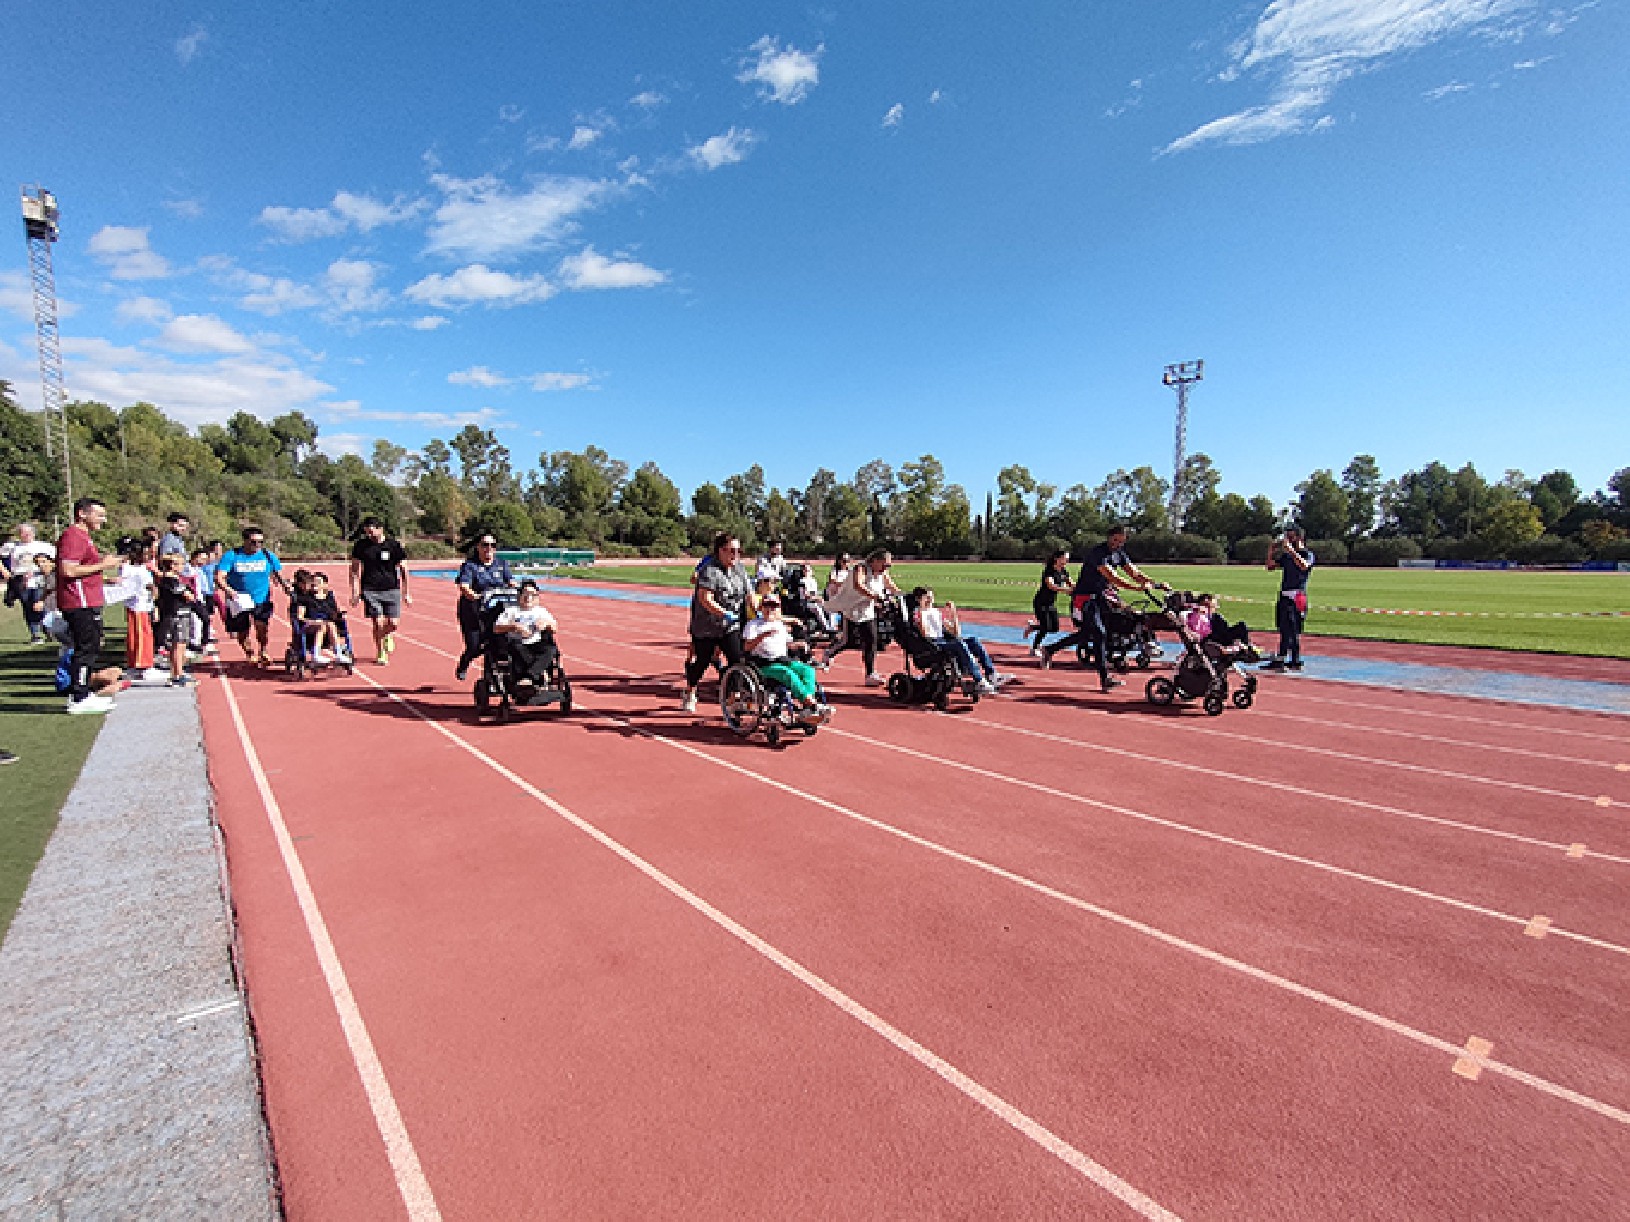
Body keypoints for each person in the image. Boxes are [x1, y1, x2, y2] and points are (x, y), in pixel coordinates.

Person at [1041, 526, 1167, 693]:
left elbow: (1134, 572)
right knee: (1099, 633)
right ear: (1109, 538)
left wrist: (1156, 583)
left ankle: (1050, 649)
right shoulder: (1098, 553)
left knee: (1090, 633)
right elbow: (1113, 577)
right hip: (1085, 598)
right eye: (1115, 540)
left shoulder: (1120, 554)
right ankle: (1105, 678)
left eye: (1121, 541)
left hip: (1101, 597)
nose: (1117, 544)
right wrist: (1136, 588)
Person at [54, 496, 125, 714]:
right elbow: (68, 570)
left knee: (92, 646)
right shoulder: (73, 536)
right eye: (99, 515)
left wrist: (103, 575)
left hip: (87, 599)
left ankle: (83, 692)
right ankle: (78, 697)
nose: (103, 520)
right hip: (79, 602)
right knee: (86, 648)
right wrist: (103, 565)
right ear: (82, 513)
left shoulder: (84, 537)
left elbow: (82, 570)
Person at [681, 532, 750, 712]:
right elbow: (705, 598)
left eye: (738, 551)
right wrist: (724, 613)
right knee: (702, 661)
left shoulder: (740, 569)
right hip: (706, 626)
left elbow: (750, 595)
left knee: (737, 659)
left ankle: (734, 697)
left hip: (730, 626)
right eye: (732, 551)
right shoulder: (710, 570)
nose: (736, 555)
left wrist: (759, 611)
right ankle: (690, 690)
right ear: (721, 550)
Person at [742, 592, 829, 723]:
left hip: (783, 660)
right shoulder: (753, 625)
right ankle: (812, 704)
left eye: (774, 606)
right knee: (787, 674)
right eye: (767, 605)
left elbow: (787, 644)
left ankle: (807, 707)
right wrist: (762, 636)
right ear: (761, 607)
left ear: (778, 609)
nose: (770, 609)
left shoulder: (779, 625)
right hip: (763, 665)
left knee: (807, 670)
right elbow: (747, 647)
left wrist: (799, 644)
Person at [911, 586, 1012, 693]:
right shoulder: (917, 613)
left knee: (974, 641)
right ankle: (979, 680)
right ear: (919, 599)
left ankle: (991, 674)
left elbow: (956, 632)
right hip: (931, 644)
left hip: (943, 641)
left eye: (931, 597)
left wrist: (953, 612)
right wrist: (922, 610)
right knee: (959, 644)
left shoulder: (936, 612)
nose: (930, 600)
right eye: (927, 597)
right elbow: (924, 633)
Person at [823, 549, 900, 685]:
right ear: (875, 561)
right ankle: (829, 653)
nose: (886, 568)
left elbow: (891, 585)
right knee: (849, 641)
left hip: (866, 609)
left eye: (888, 566)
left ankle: (870, 674)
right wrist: (875, 596)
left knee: (871, 639)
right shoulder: (861, 568)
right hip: (851, 607)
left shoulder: (882, 573)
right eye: (885, 564)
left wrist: (901, 595)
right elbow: (858, 585)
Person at [217, 526, 290, 667]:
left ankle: (263, 650)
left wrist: (285, 586)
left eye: (260, 542)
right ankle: (249, 653)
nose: (257, 545)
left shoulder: (268, 555)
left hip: (261, 598)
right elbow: (220, 577)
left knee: (262, 627)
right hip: (239, 600)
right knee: (242, 631)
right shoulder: (232, 555)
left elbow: (278, 575)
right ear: (244, 541)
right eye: (253, 542)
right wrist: (229, 591)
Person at [350, 516, 411, 666]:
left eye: (372, 532)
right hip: (370, 589)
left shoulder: (393, 545)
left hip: (391, 588)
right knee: (378, 622)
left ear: (380, 529)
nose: (369, 535)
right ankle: (380, 652)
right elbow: (354, 570)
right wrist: (355, 592)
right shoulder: (361, 546)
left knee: (393, 623)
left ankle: (388, 635)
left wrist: (406, 592)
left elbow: (404, 569)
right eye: (367, 533)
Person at [454, 534, 515, 680]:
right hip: (473, 611)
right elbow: (464, 586)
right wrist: (475, 596)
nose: (489, 548)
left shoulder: (501, 564)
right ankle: (464, 663)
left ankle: (497, 677)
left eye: (492, 545)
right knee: (475, 646)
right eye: (485, 545)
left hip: (497, 610)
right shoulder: (470, 566)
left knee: (501, 643)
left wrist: (518, 590)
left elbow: (511, 582)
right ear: (478, 547)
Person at [1262, 528, 1315, 671]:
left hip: (1297, 595)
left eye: (1291, 537)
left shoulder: (1307, 554)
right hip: (1285, 594)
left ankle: (1294, 659)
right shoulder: (1286, 557)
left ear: (1299, 538)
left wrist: (1291, 551)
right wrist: (1271, 550)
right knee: (1283, 627)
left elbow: (1304, 566)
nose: (1288, 540)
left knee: (1293, 628)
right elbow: (1270, 566)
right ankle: (1281, 658)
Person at [491, 580, 559, 686]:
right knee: (516, 648)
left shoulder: (541, 611)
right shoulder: (511, 611)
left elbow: (554, 628)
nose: (529, 597)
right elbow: (496, 628)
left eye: (532, 594)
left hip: (536, 643)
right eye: (526, 594)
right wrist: (514, 627)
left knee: (550, 650)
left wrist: (545, 624)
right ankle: (537, 674)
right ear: (520, 595)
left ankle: (530, 677)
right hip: (517, 642)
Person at [116, 537, 160, 679]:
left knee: (137, 635)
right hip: (138, 606)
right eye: (144, 554)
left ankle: (135, 663)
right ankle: (143, 665)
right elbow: (146, 585)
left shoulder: (137, 568)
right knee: (142, 636)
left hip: (141, 606)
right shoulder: (132, 569)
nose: (147, 557)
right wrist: (153, 590)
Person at [154, 551, 199, 686]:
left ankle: (177, 672)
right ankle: (177, 674)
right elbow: (188, 595)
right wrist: (189, 593)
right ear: (172, 566)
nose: (182, 567)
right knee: (178, 645)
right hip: (177, 614)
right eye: (180, 564)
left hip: (179, 613)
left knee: (180, 644)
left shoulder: (171, 580)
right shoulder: (170, 581)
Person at [2, 524, 53, 643]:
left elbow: (54, 560)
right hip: (21, 580)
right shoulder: (12, 546)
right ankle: (35, 634)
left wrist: (44, 570)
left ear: (33, 533)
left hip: (38, 579)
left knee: (41, 605)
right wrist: (5, 571)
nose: (26, 535)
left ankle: (48, 628)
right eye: (23, 533)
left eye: (28, 533)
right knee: (27, 606)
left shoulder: (43, 546)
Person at [296, 571, 349, 664]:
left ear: (325, 584)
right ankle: (316, 655)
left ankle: (339, 654)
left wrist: (339, 614)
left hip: (328, 624)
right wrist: (313, 622)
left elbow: (334, 614)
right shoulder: (305, 598)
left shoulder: (329, 597)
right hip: (310, 626)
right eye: (313, 582)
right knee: (322, 625)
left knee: (330, 624)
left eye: (318, 582)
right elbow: (300, 617)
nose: (315, 584)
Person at [1026, 550, 1072, 657]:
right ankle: (1034, 648)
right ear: (1057, 558)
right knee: (1045, 627)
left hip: (1051, 603)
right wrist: (1065, 590)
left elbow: (1071, 583)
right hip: (1041, 602)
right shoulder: (1049, 571)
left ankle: (1033, 627)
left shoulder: (1063, 571)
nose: (1067, 561)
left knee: (1054, 628)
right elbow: (1051, 585)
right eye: (1065, 558)